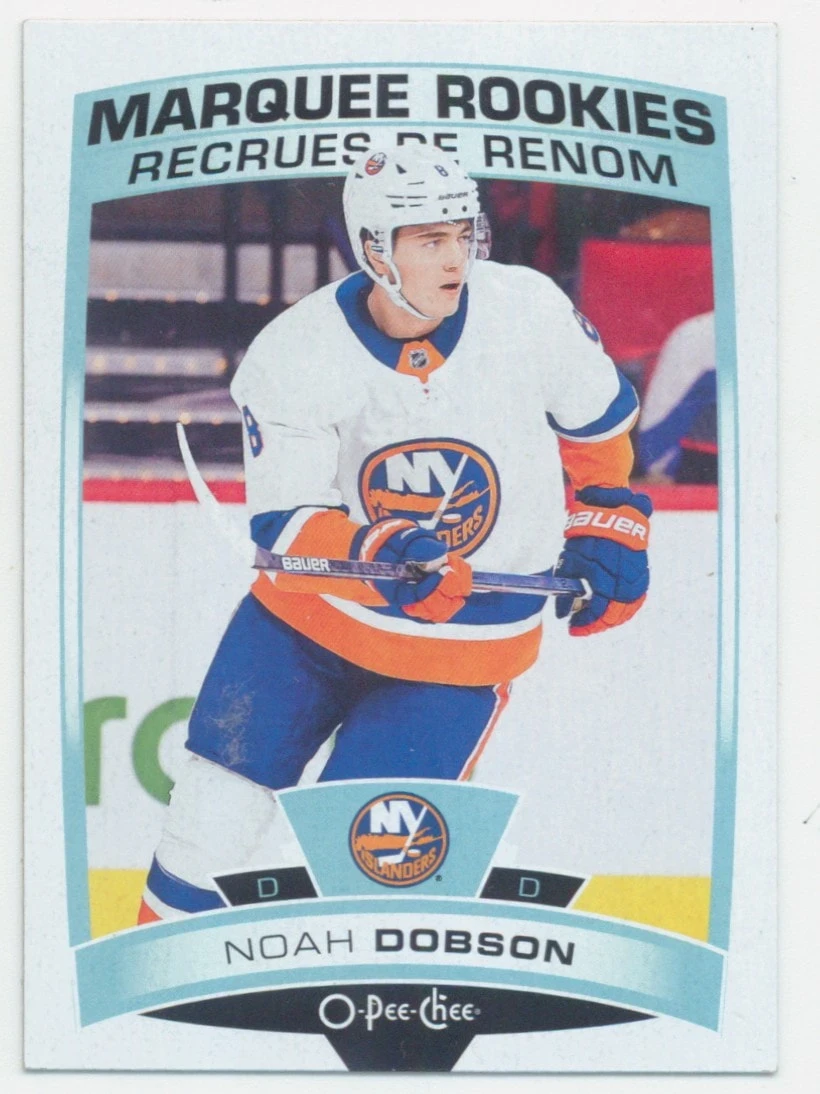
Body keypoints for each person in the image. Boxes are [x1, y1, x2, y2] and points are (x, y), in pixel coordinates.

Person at [138, 145, 652, 922]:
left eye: (463, 233)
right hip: (301, 631)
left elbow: (598, 428)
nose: (456, 259)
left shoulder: (527, 309)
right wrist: (380, 552)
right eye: (431, 240)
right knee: (208, 822)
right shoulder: (295, 350)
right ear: (375, 249)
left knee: (364, 867)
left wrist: (607, 520)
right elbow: (285, 524)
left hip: (459, 651)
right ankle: (147, 986)